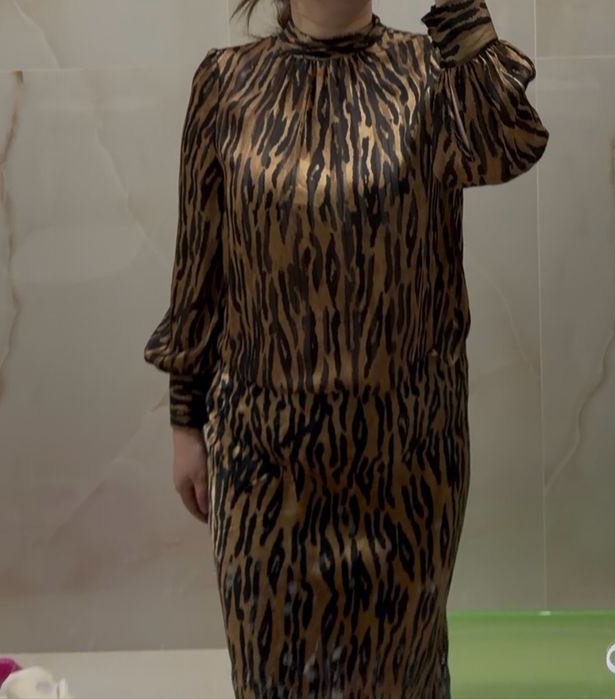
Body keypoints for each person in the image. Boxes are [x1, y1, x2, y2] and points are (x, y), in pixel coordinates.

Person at [144, 0, 547, 696]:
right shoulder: (226, 82)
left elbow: (507, 142)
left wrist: (459, 12)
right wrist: (186, 417)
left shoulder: (432, 74)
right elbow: (199, 267)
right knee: (272, 675)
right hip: (263, 466)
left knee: (401, 676)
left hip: (408, 463)